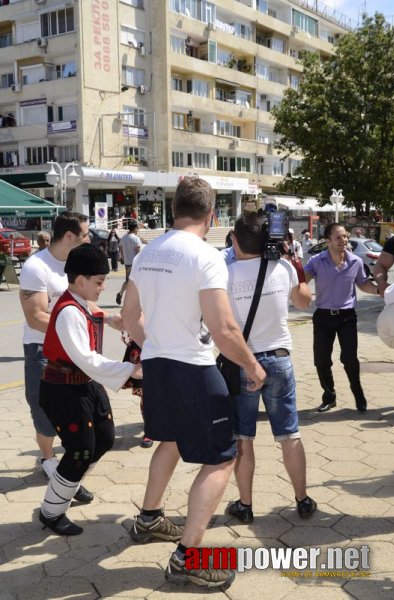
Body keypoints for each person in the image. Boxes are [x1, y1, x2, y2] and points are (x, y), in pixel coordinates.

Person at [121, 177, 265, 590]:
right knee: (222, 458)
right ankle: (188, 556)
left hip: (157, 367)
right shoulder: (205, 256)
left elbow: (131, 317)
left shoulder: (147, 251)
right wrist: (253, 367)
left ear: (173, 209)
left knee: (168, 439)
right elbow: (223, 329)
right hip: (194, 369)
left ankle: (148, 518)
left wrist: (158, 344)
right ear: (211, 214)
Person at [223, 213, 316, 524]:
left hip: (243, 362)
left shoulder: (225, 274)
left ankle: (246, 505)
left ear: (234, 240)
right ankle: (302, 499)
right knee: (289, 434)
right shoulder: (284, 267)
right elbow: (304, 302)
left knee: (243, 437)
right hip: (279, 359)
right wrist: (295, 262)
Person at [38, 244, 136, 536]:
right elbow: (86, 359)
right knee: (80, 450)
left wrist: (110, 318)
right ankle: (51, 512)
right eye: (99, 281)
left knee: (104, 439)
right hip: (63, 389)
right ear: (80, 280)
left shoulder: (79, 302)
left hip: (85, 384)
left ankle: (68, 483)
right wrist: (132, 371)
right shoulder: (69, 311)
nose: (103, 287)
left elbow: (93, 311)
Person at [19, 212, 122, 480]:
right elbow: (35, 315)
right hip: (43, 352)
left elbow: (83, 303)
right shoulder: (36, 267)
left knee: (82, 421)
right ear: (69, 236)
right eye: (86, 234)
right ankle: (48, 460)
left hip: (78, 350)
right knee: (44, 416)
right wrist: (71, 331)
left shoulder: (77, 264)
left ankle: (69, 472)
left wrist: (108, 318)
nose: (89, 239)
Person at [304, 223, 378, 413]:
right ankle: (329, 396)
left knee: (349, 358)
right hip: (323, 317)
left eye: (345, 236)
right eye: (338, 237)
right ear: (327, 240)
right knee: (321, 360)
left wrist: (381, 290)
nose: (343, 240)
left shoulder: (355, 261)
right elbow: (302, 280)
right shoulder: (316, 261)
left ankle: (358, 392)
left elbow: (363, 285)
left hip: (347, 317)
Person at [115, 220, 141, 306]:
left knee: (128, 280)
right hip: (135, 263)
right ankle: (132, 300)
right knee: (135, 282)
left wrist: (122, 258)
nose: (138, 229)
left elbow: (121, 249)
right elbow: (138, 252)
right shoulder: (136, 238)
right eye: (137, 228)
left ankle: (121, 293)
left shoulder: (124, 238)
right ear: (134, 229)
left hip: (127, 263)